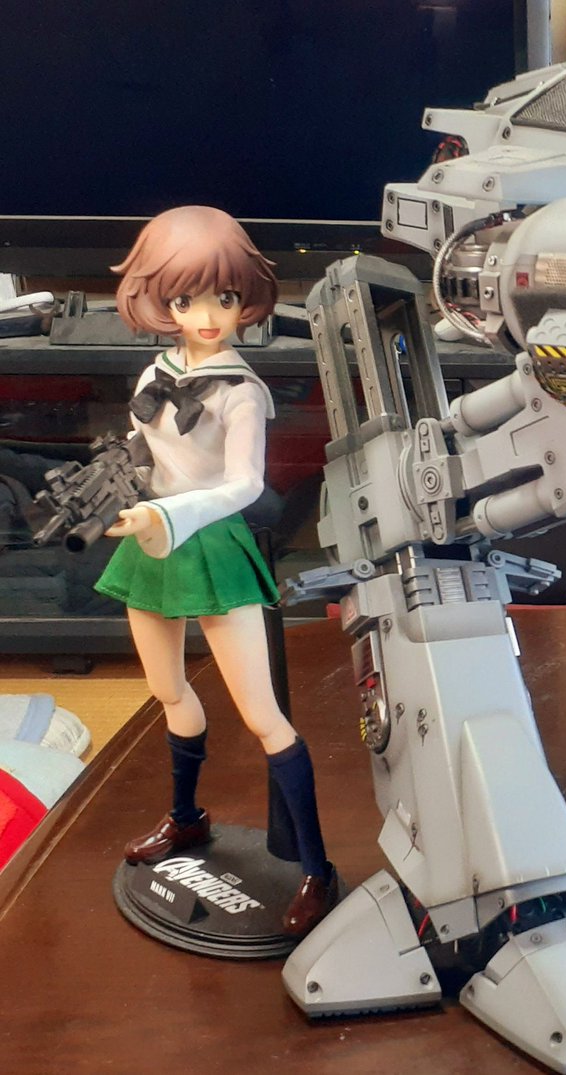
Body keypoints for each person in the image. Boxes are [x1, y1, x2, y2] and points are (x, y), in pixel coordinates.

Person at [97, 205, 336, 937]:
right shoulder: (156, 371)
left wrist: (167, 514)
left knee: (262, 715)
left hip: (209, 542)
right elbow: (144, 447)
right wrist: (121, 477)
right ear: (160, 302)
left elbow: (244, 485)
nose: (206, 317)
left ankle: (316, 869)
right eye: (185, 300)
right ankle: (186, 818)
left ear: (244, 301)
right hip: (150, 540)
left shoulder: (242, 391)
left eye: (224, 298)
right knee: (168, 690)